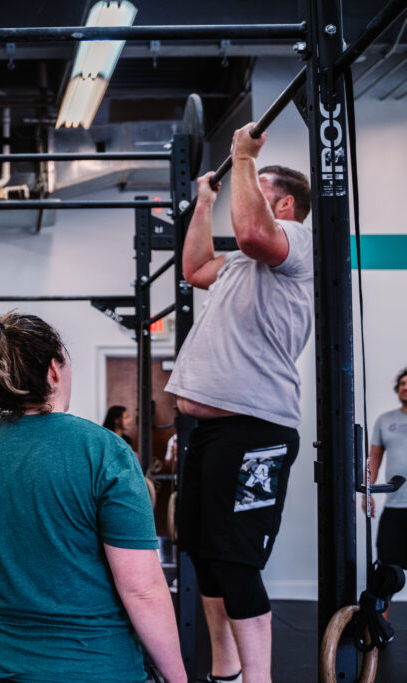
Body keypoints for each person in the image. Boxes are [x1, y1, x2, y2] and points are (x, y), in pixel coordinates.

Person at [0, 308, 186, 682]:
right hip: (91, 667)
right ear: (54, 369)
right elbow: (142, 589)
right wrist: (177, 677)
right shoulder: (105, 452)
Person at [164, 123, 313, 683]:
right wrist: (204, 202)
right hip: (210, 434)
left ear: (285, 203)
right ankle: (224, 674)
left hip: (256, 430)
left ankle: (257, 680)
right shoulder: (241, 268)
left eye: (255, 186)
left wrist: (243, 158)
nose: (239, 198)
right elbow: (196, 268)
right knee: (202, 553)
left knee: (236, 560)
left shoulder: (294, 243)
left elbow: (253, 231)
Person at [364, 367, 407, 616]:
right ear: (397, 389)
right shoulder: (385, 420)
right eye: (402, 383)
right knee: (386, 574)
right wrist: (366, 491)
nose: (405, 387)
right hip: (394, 508)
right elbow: (374, 459)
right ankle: (381, 625)